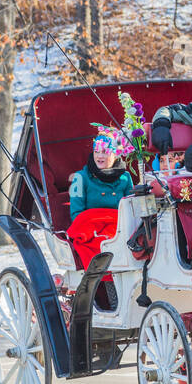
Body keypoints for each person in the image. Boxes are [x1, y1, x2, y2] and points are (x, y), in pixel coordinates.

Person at [66, 129, 134, 311]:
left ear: (115, 153)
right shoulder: (81, 178)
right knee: (106, 247)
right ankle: (113, 302)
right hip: (90, 228)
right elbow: (76, 214)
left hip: (120, 225)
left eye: (105, 151)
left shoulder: (125, 177)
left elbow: (131, 207)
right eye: (97, 151)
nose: (100, 156)